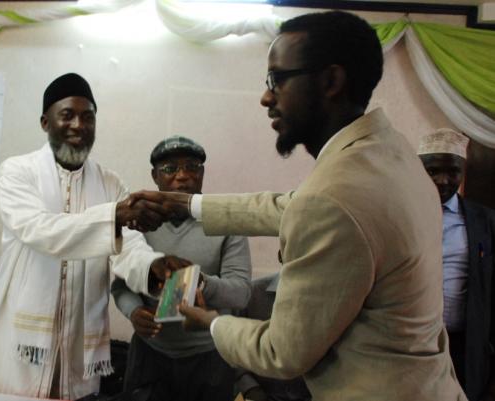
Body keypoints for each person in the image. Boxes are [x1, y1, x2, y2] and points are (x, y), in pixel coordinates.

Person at [128, 11, 466, 401]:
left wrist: (210, 322)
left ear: (331, 82)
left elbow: (279, 352)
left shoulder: (336, 195)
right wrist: (188, 205)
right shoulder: (391, 154)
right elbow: (290, 206)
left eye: (278, 79)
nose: (266, 97)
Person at [0, 73, 187, 400]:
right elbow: (41, 231)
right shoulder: (17, 172)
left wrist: (153, 266)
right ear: (45, 122)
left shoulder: (109, 182)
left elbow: (128, 245)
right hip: (23, 344)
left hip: (79, 343)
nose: (79, 125)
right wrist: (113, 215)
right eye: (67, 115)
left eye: (88, 117)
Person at [111, 136, 252, 401]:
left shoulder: (226, 222)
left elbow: (241, 293)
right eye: (170, 169)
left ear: (202, 174)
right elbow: (119, 286)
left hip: (211, 357)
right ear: (155, 176)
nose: (183, 176)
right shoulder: (139, 223)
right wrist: (133, 311)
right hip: (150, 355)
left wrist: (199, 282)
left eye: (192, 167)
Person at [418, 128, 495, 401]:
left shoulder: (485, 222)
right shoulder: (402, 216)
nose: (443, 180)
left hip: (466, 345)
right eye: (433, 170)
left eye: (452, 171)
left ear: (463, 171)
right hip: (413, 345)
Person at [235, 273, 310, 401]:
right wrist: (251, 389)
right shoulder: (252, 294)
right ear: (280, 255)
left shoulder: (329, 298)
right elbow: (234, 349)